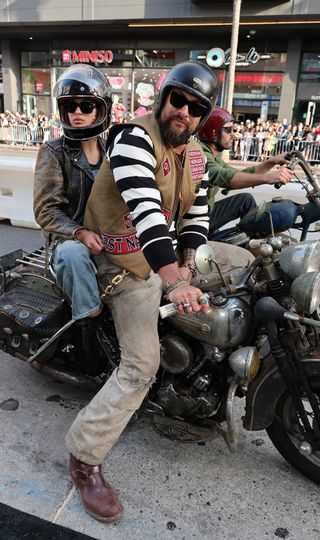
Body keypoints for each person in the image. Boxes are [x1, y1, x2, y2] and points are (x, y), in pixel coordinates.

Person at [64, 60, 254, 523]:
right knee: (141, 365)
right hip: (119, 262)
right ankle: (84, 459)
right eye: (177, 100)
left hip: (161, 258)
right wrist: (174, 280)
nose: (183, 112)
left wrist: (189, 263)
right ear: (164, 97)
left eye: (195, 108)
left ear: (203, 116)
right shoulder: (132, 138)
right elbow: (148, 210)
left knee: (247, 264)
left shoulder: (193, 154)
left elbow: (195, 216)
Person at [33, 64, 112, 370]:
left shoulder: (112, 149)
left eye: (87, 106)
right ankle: (88, 336)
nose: (78, 112)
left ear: (100, 110)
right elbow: (45, 210)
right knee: (75, 256)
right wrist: (80, 233)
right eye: (70, 106)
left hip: (107, 237)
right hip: (68, 242)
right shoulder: (53, 151)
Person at [197, 107, 294, 240]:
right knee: (245, 200)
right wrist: (270, 177)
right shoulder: (202, 155)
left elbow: (242, 174)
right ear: (212, 131)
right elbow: (226, 177)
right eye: (228, 130)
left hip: (205, 213)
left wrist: (271, 162)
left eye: (233, 130)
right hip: (197, 220)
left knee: (245, 200)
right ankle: (256, 244)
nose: (233, 134)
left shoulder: (213, 156)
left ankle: (254, 241)